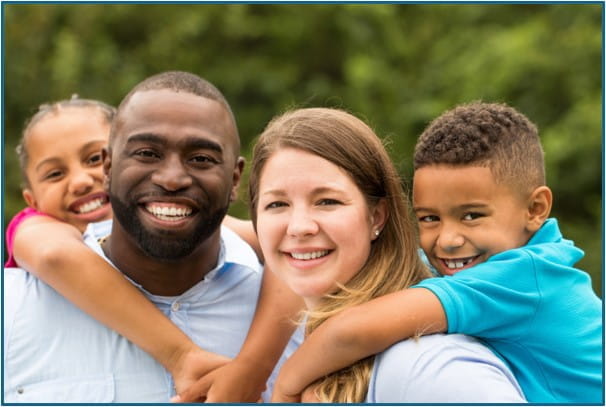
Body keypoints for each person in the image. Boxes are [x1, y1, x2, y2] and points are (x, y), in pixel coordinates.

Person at [177, 107, 526, 402]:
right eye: (277, 204)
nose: (299, 226)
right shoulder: (302, 349)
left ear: (377, 216)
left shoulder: (426, 365)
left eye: (327, 201)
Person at [270, 102, 603, 403]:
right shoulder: (508, 263)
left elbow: (351, 331)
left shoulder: (524, 277)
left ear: (535, 208)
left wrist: (287, 388)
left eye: (471, 215)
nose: (447, 240)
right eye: (429, 218)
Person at [3, 71, 299, 402]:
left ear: (234, 179)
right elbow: (52, 254)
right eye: (146, 153)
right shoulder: (16, 302)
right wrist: (181, 356)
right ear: (109, 167)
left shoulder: (307, 309)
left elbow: (290, 247)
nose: (172, 180)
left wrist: (254, 368)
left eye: (201, 158)